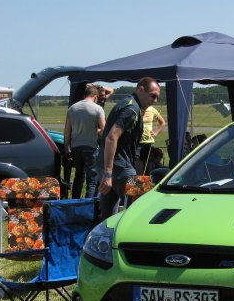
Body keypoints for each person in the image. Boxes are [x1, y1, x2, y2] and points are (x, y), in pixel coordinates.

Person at [97, 77, 160, 219]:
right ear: (141, 89)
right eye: (153, 96)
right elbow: (111, 137)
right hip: (120, 167)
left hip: (110, 165)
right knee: (141, 210)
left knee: (108, 216)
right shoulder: (132, 109)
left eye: (157, 97)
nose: (155, 101)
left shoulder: (127, 103)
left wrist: (107, 172)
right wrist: (108, 173)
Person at [64, 84, 105, 198]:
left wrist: (66, 148)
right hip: (91, 147)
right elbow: (104, 130)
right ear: (95, 97)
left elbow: (67, 131)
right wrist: (97, 131)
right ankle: (89, 204)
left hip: (76, 147)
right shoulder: (98, 108)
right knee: (92, 179)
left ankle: (75, 202)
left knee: (78, 176)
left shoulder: (72, 108)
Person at [135, 105, 165, 174]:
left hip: (150, 142)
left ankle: (150, 183)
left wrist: (156, 132)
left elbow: (162, 123)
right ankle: (137, 184)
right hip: (137, 143)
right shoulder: (136, 109)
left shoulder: (152, 110)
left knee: (150, 166)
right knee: (137, 166)